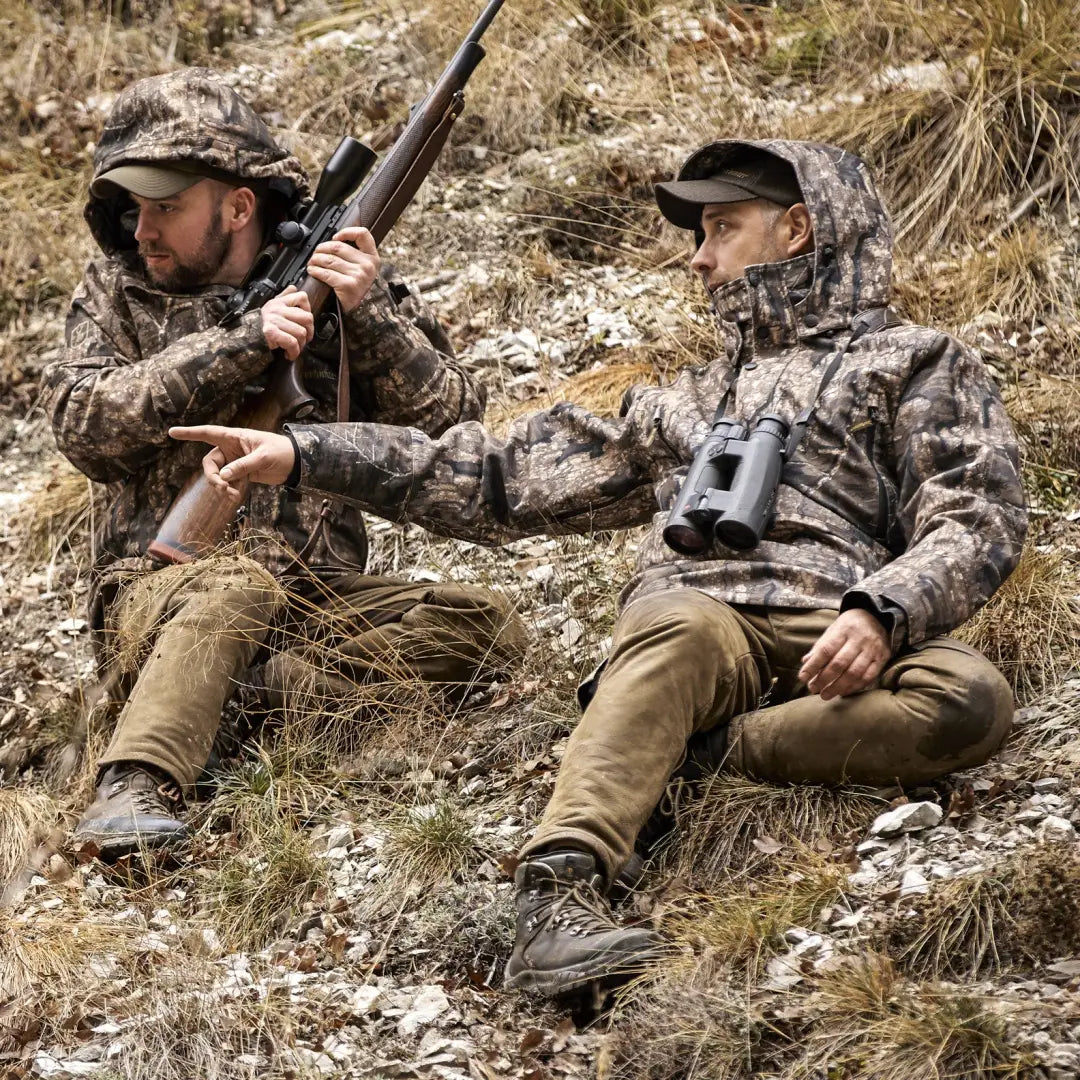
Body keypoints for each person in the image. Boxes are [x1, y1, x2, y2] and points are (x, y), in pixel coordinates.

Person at [170, 139, 1027, 995]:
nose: (698, 257)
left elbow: (976, 514)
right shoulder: (682, 402)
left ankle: (696, 754)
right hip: (696, 623)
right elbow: (498, 477)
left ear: (797, 228)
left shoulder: (917, 362)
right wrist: (305, 452)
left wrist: (882, 610)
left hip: (833, 620)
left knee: (968, 698)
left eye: (721, 229)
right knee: (678, 624)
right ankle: (556, 900)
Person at [44, 69, 525, 860]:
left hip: (314, 596)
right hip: (158, 592)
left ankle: (242, 702)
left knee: (485, 626)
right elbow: (83, 426)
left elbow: (457, 431)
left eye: (166, 206)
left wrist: (371, 318)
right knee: (236, 585)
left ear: (238, 205)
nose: (142, 230)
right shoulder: (115, 292)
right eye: (134, 207)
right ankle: (134, 783)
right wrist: (241, 344)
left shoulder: (347, 280)